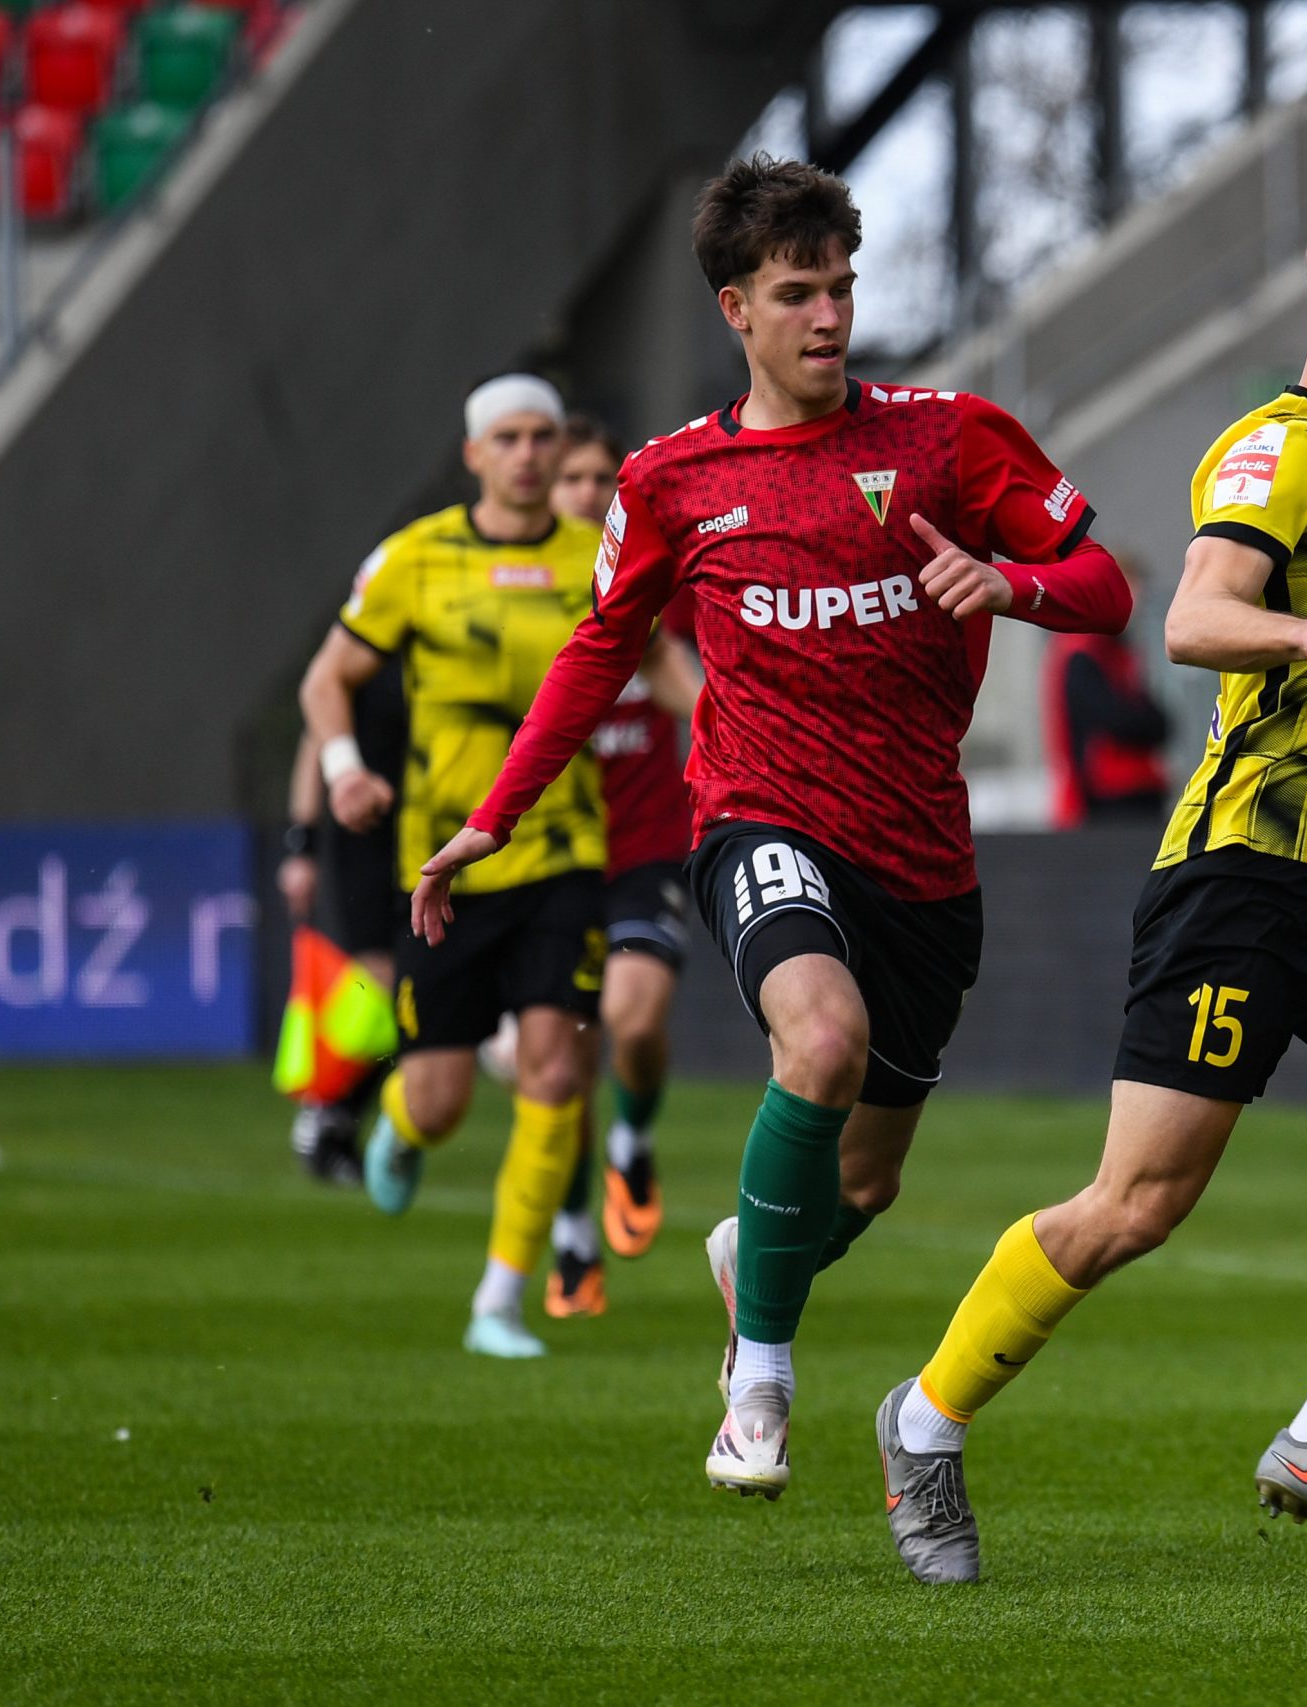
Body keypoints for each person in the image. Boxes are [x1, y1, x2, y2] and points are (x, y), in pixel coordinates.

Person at [409, 157, 1132, 1497]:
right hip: (759, 815)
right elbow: (598, 650)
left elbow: (1105, 583)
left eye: (842, 286)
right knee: (822, 1039)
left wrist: (1012, 586)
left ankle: (758, 1248)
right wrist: (492, 820)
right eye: (798, 292)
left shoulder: (950, 437)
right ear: (734, 307)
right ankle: (760, 1385)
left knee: (865, 1184)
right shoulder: (672, 479)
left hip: (922, 853)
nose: (830, 314)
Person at [875, 194, 1307, 1585]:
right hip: (1242, 878)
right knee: (1133, 1206)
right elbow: (1193, 617)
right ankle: (926, 1420)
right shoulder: (1276, 450)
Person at [297, 374, 609, 1359]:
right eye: (507, 438)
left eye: (543, 436)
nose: (529, 454)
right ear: (474, 454)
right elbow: (327, 678)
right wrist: (343, 771)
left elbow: (664, 665)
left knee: (556, 1068)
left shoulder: (598, 557)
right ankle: (398, 1125)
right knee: (439, 1099)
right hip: (444, 862)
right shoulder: (417, 557)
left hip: (564, 847)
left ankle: (499, 1301)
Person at [538, 415, 705, 1318]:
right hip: (548, 857)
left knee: (632, 1022)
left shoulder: (661, 583)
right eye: (570, 478)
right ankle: (572, 1234)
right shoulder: (522, 597)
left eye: (600, 477)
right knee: (559, 1061)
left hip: (646, 847)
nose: (584, 493)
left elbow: (697, 686)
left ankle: (632, 1140)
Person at [276, 656, 403, 1187]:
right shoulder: (366, 642)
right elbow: (317, 739)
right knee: (379, 982)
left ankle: (345, 1115)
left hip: (431, 831)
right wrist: (301, 842)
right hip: (364, 834)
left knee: (419, 987)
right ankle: (330, 1110)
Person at [1042, 551, 1171, 827]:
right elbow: (1113, 719)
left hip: (1134, 789)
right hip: (1108, 797)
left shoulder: (1115, 650)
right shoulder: (1083, 651)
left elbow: (1154, 719)